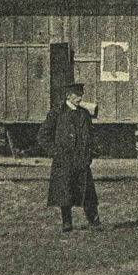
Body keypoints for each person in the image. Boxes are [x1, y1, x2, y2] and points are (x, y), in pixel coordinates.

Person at [40, 83, 101, 232]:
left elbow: (91, 135)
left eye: (81, 95)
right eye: (77, 95)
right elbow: (43, 135)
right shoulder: (57, 113)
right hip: (64, 160)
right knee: (65, 193)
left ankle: (94, 221)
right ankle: (67, 223)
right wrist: (55, 152)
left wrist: (91, 153)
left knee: (87, 192)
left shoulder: (84, 114)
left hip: (81, 159)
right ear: (68, 96)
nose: (79, 98)